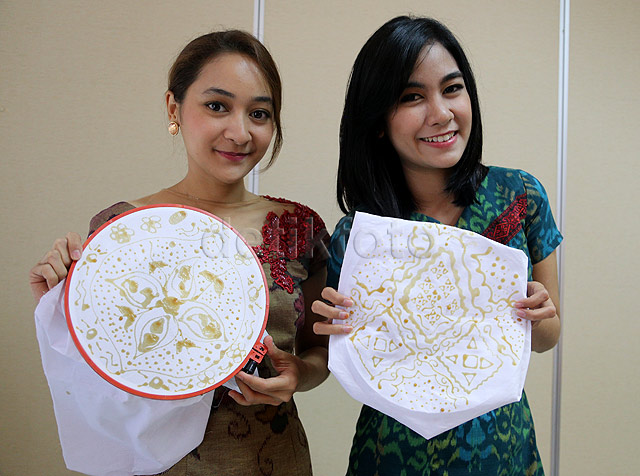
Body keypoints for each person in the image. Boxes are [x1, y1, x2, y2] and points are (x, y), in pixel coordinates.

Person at [29, 30, 330, 476]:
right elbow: (99, 375)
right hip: (162, 466)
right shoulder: (122, 230)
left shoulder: (300, 228)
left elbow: (320, 352)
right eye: (217, 106)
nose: (240, 132)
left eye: (259, 113)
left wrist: (299, 375)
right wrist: (56, 303)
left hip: (275, 458)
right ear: (174, 108)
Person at [311, 16, 562, 475]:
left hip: (499, 447)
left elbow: (548, 339)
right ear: (378, 121)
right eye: (412, 97)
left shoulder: (521, 195)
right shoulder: (360, 234)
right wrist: (335, 334)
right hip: (391, 453)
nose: (441, 113)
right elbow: (345, 359)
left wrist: (540, 314)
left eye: (452, 89)